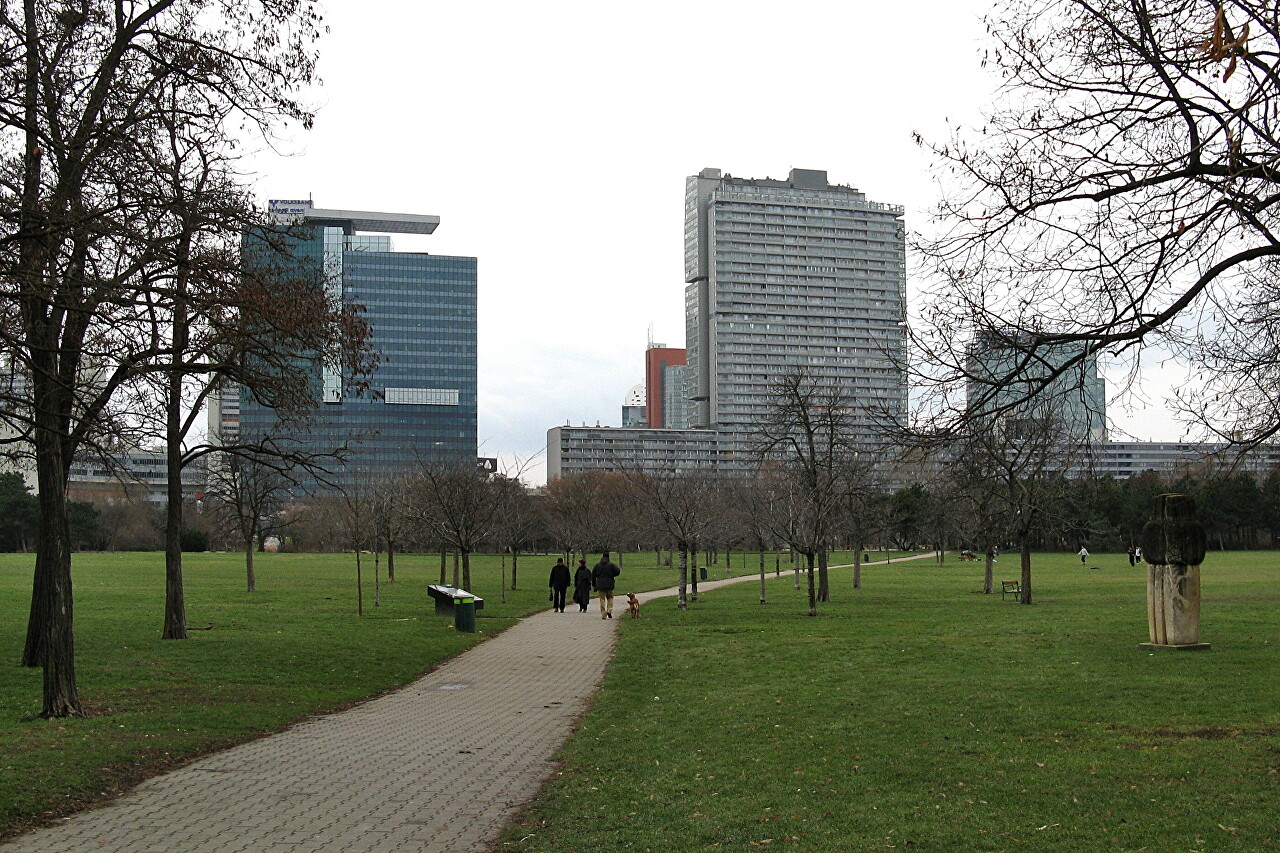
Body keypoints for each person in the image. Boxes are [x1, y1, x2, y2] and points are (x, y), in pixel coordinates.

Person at [592, 551, 621, 619]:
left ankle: (603, 613)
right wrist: (612, 575)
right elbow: (618, 571)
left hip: (600, 584)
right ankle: (609, 610)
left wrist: (594, 585)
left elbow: (593, 575)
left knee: (602, 599)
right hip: (609, 583)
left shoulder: (597, 565)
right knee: (610, 597)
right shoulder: (611, 565)